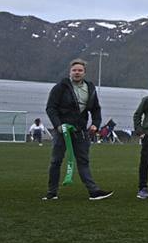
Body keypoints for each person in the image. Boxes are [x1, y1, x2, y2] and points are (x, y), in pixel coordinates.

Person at [43, 58, 113, 201]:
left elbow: (96, 109)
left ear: (84, 73)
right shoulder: (60, 87)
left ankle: (94, 192)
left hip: (81, 132)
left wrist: (95, 124)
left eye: (80, 70)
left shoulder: (90, 88)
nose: (77, 72)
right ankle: (52, 192)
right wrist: (58, 125)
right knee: (56, 161)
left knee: (83, 161)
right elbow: (51, 108)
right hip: (62, 131)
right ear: (70, 72)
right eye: (74, 70)